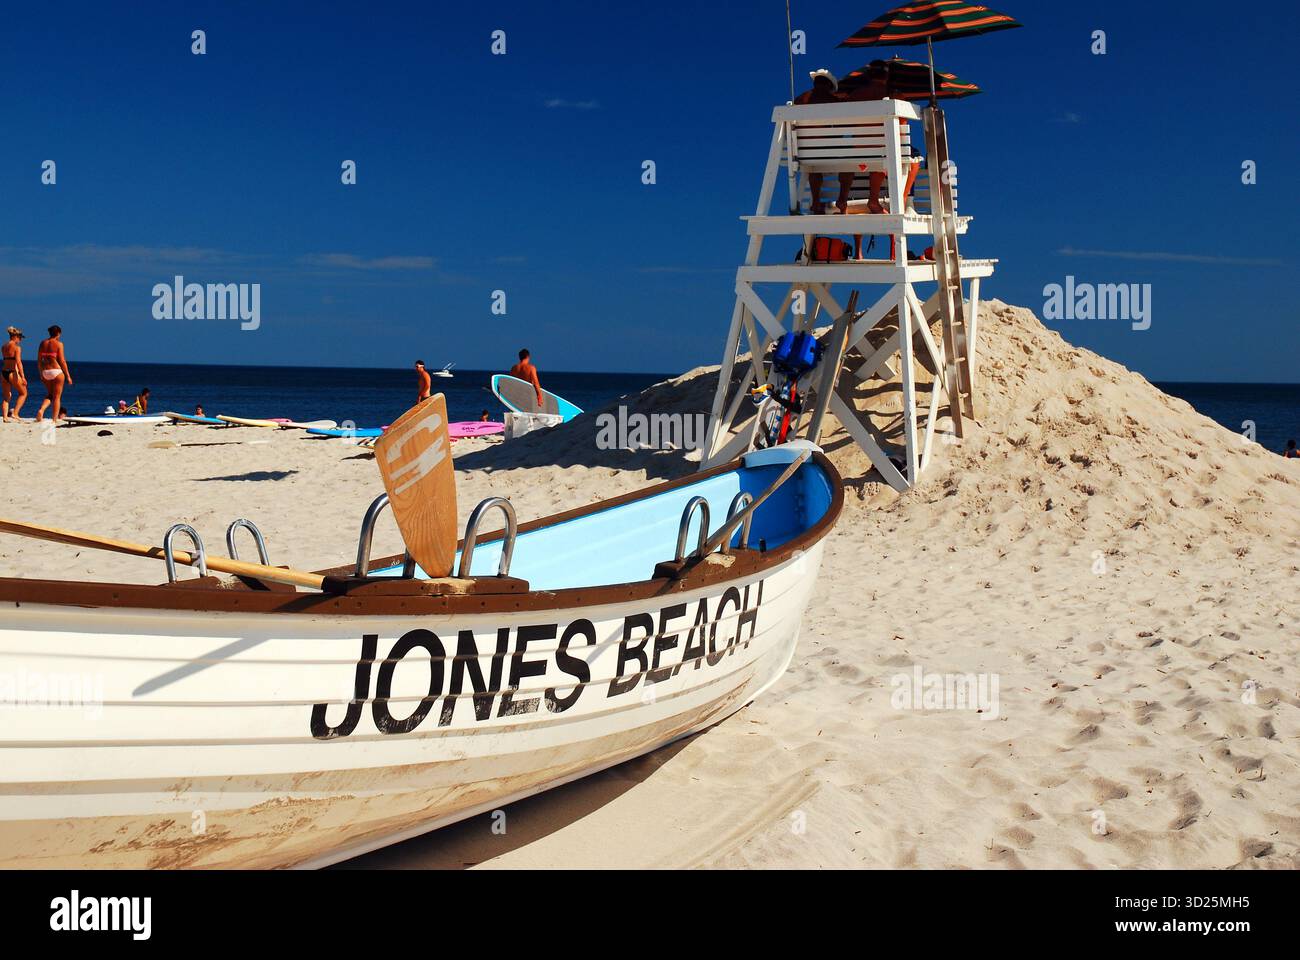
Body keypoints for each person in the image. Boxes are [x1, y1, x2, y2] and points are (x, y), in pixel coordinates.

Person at [794, 69, 855, 216]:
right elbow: (843, 127)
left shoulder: (799, 100)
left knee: (812, 165)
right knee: (850, 159)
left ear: (815, 83)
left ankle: (816, 201)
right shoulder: (833, 101)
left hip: (804, 153)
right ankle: (842, 199)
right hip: (828, 150)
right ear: (828, 85)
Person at [34, 325, 71, 423]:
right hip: (56, 371)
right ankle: (54, 419)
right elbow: (62, 361)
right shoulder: (59, 344)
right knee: (57, 397)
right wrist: (68, 376)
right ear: (58, 333)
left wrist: (41, 373)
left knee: (50, 394)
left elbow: (39, 360)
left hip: (45, 371)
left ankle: (41, 410)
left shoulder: (43, 343)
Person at [2, 326, 28, 422]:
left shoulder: (3, 346)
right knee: (23, 393)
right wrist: (23, 377)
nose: (20, 340)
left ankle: (5, 417)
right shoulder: (17, 348)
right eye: (20, 338)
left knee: (7, 396)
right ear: (16, 336)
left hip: (3, 372)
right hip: (12, 373)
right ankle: (15, 413)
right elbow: (18, 362)